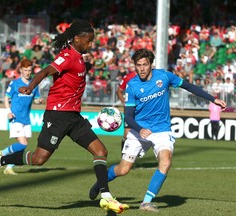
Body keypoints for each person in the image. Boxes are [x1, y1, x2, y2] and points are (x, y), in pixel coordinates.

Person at [0, 20, 129, 214]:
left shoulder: (79, 59)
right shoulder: (66, 56)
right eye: (88, 41)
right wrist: (30, 88)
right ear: (76, 39)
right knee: (39, 159)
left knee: (101, 151)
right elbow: (45, 71)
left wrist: (88, 66)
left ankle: (106, 197)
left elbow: (75, 74)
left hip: (74, 117)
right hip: (58, 115)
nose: (91, 44)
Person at [89, 48, 226, 212]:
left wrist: (213, 99)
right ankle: (100, 183)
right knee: (123, 169)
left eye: (145, 64)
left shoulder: (164, 76)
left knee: (166, 161)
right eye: (138, 65)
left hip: (162, 130)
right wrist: (140, 129)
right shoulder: (132, 86)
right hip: (139, 130)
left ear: (150, 64)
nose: (141, 68)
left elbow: (189, 86)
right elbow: (129, 116)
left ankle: (146, 202)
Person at [0, 59, 43, 175]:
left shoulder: (34, 85)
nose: (27, 72)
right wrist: (8, 111)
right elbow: (6, 98)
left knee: (23, 145)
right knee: (23, 144)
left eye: (29, 70)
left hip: (26, 118)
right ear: (21, 70)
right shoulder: (15, 83)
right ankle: (2, 153)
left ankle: (9, 167)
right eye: (25, 70)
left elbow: (36, 99)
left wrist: (39, 101)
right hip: (15, 118)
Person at [116, 69, 137, 151]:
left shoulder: (149, 76)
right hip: (131, 108)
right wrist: (125, 103)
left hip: (144, 109)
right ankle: (124, 156)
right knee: (127, 135)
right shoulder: (128, 77)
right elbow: (119, 91)